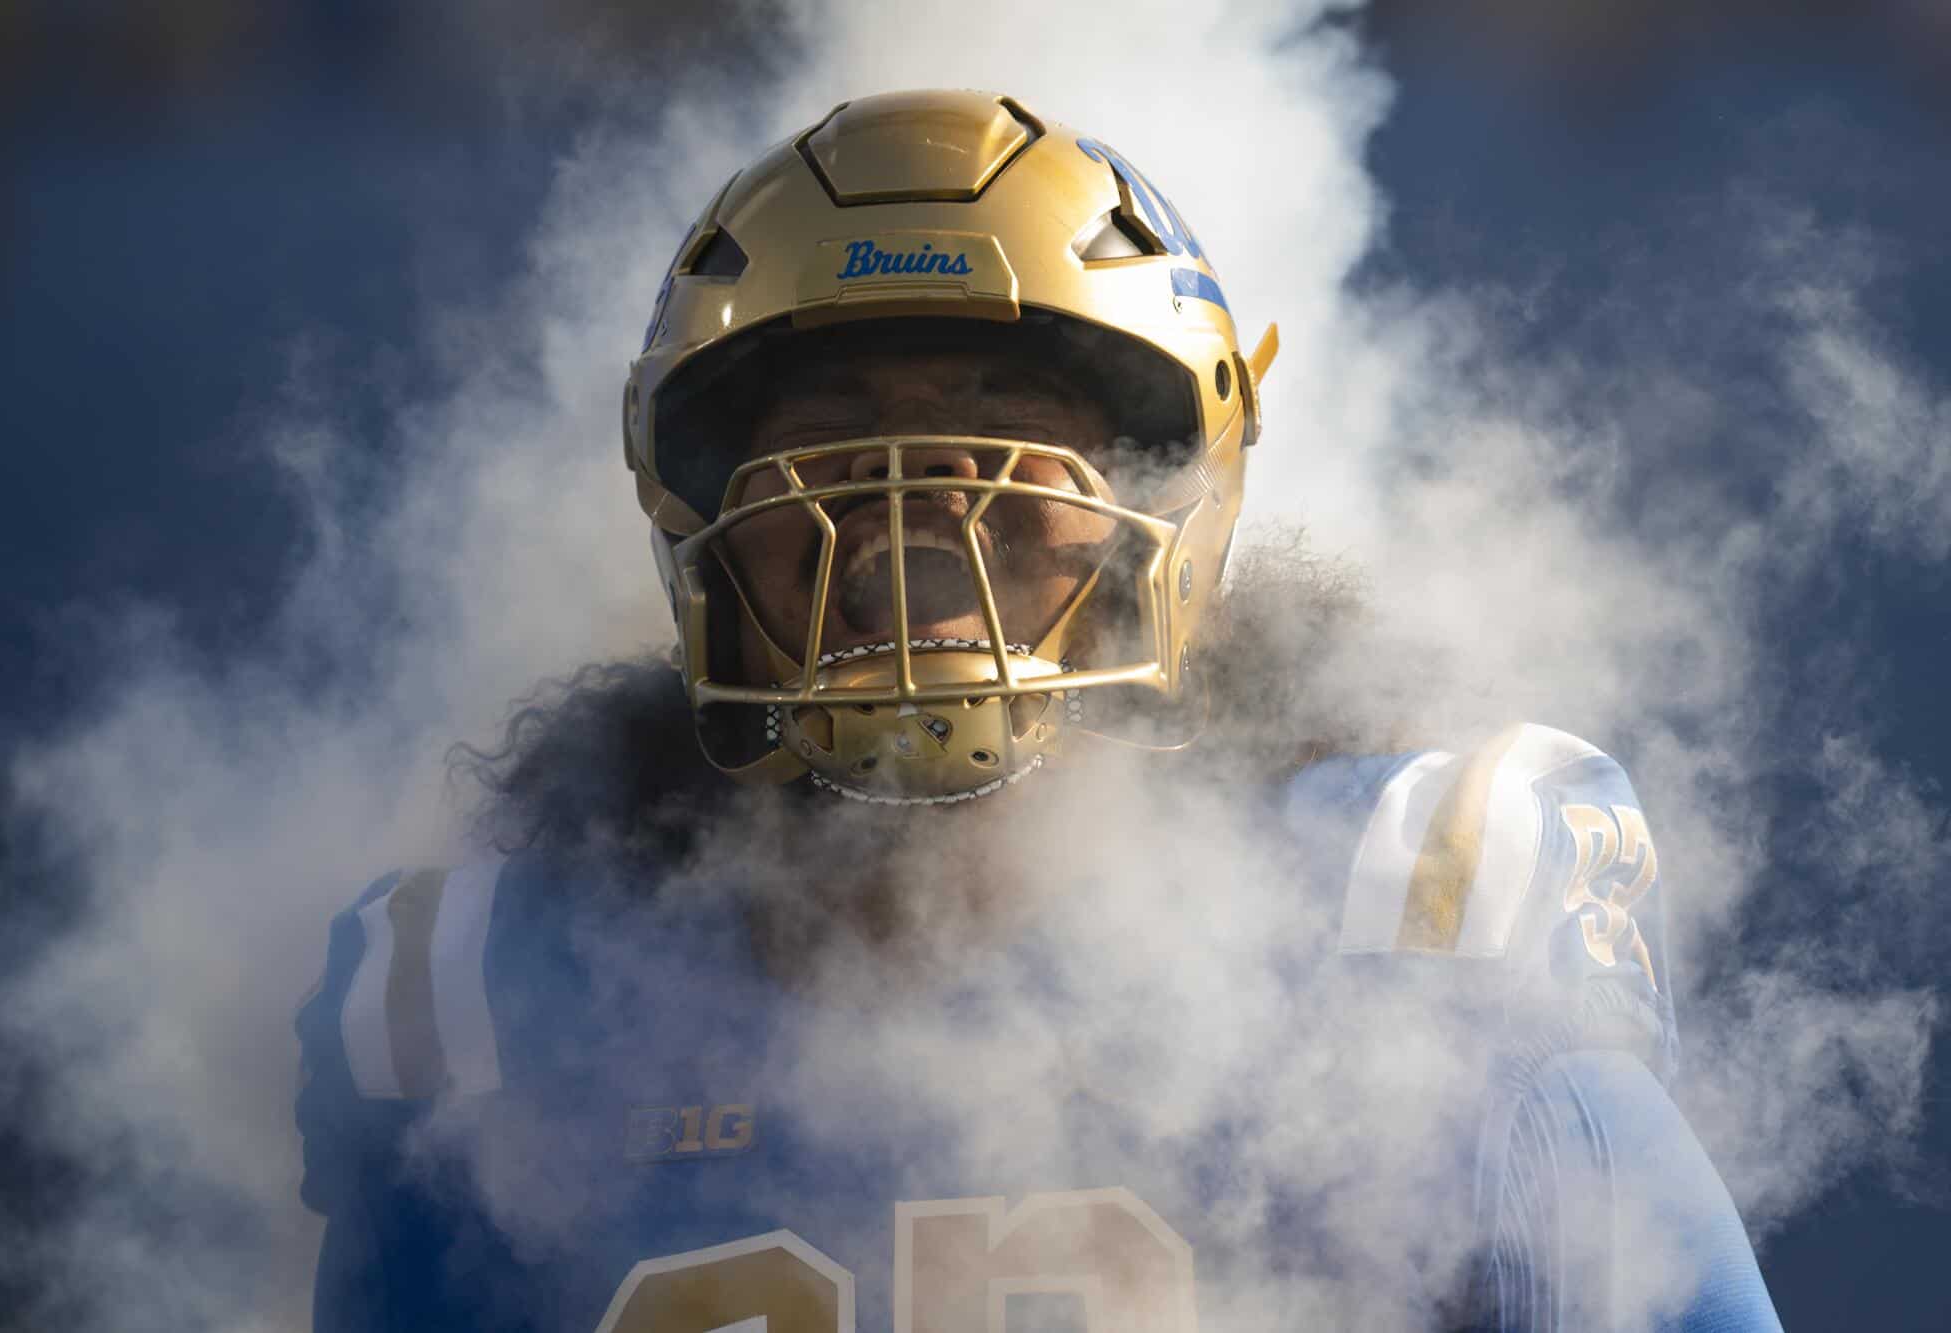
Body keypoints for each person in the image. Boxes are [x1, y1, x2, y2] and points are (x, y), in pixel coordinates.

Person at [296, 90, 1784, 1331]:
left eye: (1004, 430)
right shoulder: (509, 1014)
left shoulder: (1413, 949)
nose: (916, 493)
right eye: (825, 429)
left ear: (1173, 500)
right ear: (699, 520)